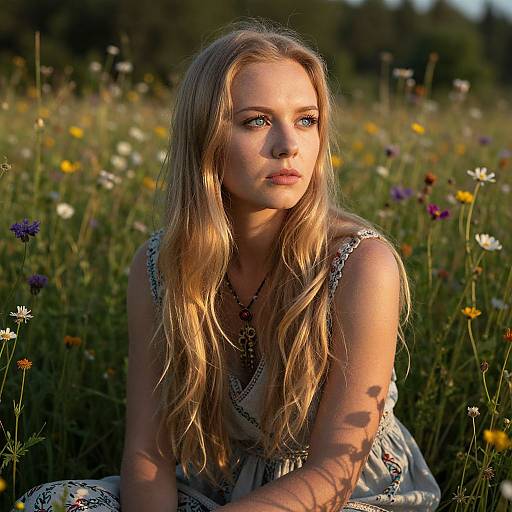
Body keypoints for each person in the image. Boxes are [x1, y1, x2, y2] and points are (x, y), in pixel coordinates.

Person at [12, 19, 441, 512]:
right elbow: (149, 451)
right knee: (56, 504)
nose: (289, 145)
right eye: (256, 121)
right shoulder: (160, 267)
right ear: (206, 137)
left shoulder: (361, 264)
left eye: (306, 119)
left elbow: (334, 474)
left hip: (341, 499)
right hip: (215, 488)